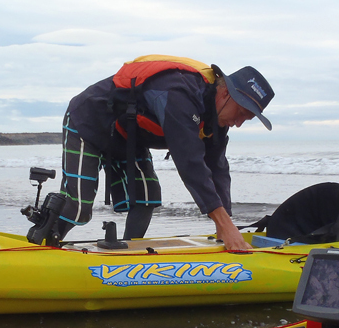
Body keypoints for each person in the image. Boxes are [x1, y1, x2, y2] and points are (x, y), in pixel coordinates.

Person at [56, 55, 274, 252]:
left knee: (146, 199)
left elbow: (217, 167)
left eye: (247, 119)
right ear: (226, 92)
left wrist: (225, 223)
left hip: (126, 136)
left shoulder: (217, 116)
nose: (238, 124)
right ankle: (42, 245)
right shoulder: (178, 93)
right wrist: (224, 225)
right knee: (78, 206)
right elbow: (190, 163)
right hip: (89, 122)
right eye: (241, 113)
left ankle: (126, 257)